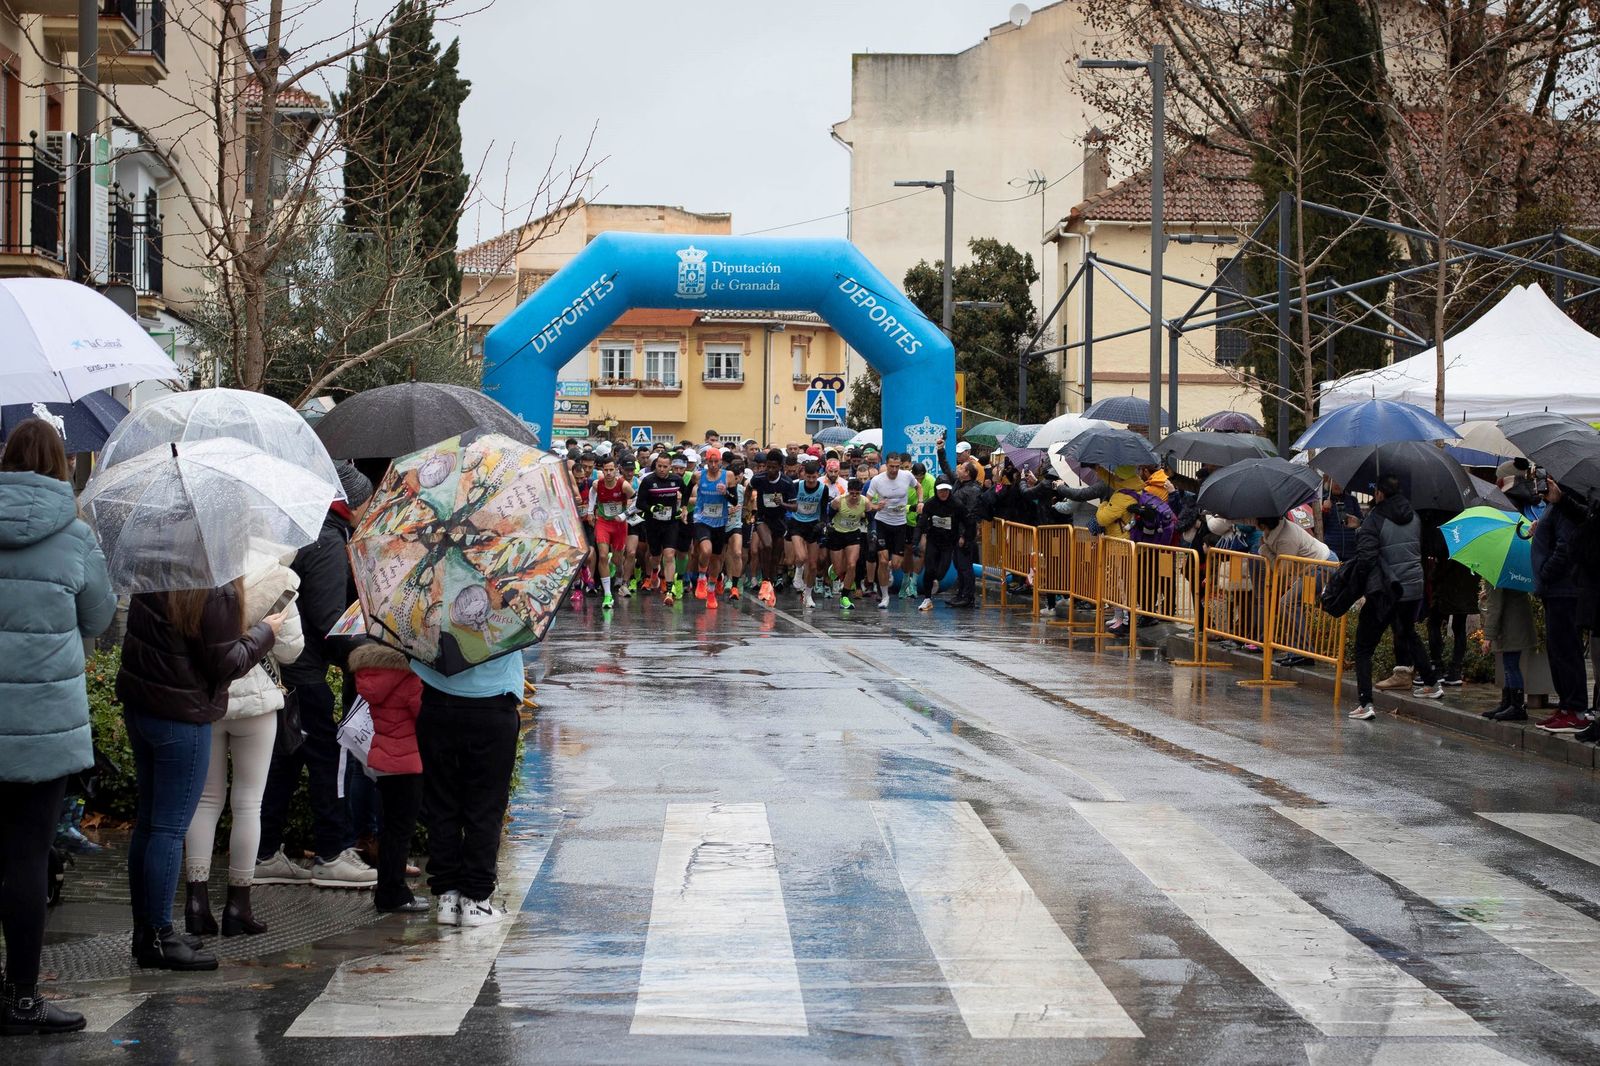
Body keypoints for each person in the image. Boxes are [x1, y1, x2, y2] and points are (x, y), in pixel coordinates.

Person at [0, 419, 115, 1034]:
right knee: (26, 860)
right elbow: (98, 616)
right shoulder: (75, 537)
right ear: (61, 465)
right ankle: (22, 999)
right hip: (43, 729)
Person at [119, 576, 282, 970]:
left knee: (149, 824)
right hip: (182, 717)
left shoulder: (155, 570)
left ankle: (146, 932)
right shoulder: (216, 587)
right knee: (169, 829)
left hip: (143, 707)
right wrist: (265, 632)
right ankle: (160, 937)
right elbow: (226, 663)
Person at [255, 464, 376, 890]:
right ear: (349, 503)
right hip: (304, 672)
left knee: (285, 761)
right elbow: (328, 620)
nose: (369, 510)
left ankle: (263, 853)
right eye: (367, 502)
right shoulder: (327, 541)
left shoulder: (303, 529)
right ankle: (333, 854)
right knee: (328, 760)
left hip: (284, 670)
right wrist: (364, 650)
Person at [183, 552, 305, 939]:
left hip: (208, 697)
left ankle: (196, 903)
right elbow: (291, 651)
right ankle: (238, 905)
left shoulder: (197, 572)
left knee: (205, 800)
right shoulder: (277, 578)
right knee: (249, 803)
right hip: (256, 703)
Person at [413, 650, 525, 927]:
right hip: (493, 703)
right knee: (486, 805)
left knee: (441, 803)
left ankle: (447, 897)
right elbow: (539, 626)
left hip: (438, 703)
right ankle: (475, 900)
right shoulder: (510, 618)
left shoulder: (432, 616)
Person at [1350, 474, 1442, 721]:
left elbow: (1366, 558)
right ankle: (1432, 683)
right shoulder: (1414, 516)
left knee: (1363, 648)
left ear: (1379, 493)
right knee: (1408, 632)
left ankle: (1365, 703)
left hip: (1387, 590)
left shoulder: (1375, 518)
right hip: (1413, 587)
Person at [348, 643, 428, 913]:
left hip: (383, 761)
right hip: (408, 763)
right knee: (400, 832)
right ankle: (394, 894)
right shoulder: (409, 678)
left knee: (390, 830)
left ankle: (387, 891)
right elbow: (424, 716)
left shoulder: (372, 674)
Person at [1530, 477, 1592, 734]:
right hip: (1554, 590)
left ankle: (1576, 709)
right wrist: (1540, 530)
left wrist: (1545, 572)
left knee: (1566, 650)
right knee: (1557, 651)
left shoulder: (1567, 501)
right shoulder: (1553, 504)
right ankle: (1566, 707)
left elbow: (1565, 547)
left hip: (1563, 590)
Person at [1257, 514, 1336, 668]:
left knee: (1287, 603)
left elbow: (1282, 570)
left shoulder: (1286, 538)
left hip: (1322, 565)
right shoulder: (1277, 529)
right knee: (1289, 603)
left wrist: (1265, 551)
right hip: (1311, 566)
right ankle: (1297, 652)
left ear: (1262, 525)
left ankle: (1303, 653)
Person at [1480, 581, 1536, 723]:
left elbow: (1495, 607)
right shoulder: (1510, 574)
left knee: (1511, 665)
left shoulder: (1496, 577)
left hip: (1510, 625)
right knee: (1509, 664)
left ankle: (1517, 706)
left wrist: (1488, 636)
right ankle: (1508, 703)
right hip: (1516, 621)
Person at [638, 453, 690, 605]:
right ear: (655, 465)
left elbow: (686, 492)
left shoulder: (676, 480)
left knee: (669, 554)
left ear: (670, 467)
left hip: (671, 523)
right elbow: (639, 503)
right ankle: (655, 570)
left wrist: (684, 507)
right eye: (659, 466)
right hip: (653, 523)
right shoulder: (648, 481)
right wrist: (651, 508)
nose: (661, 469)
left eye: (665, 467)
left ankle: (669, 591)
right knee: (655, 557)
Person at [866, 453, 916, 609]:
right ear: (886, 465)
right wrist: (876, 507)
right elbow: (866, 501)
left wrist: (920, 501)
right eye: (891, 466)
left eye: (897, 467)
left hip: (900, 524)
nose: (894, 470)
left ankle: (888, 569)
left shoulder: (907, 476)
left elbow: (918, 487)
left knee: (896, 564)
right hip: (882, 522)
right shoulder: (877, 480)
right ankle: (885, 596)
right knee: (882, 559)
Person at [749, 449, 796, 606]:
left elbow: (795, 507)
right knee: (767, 545)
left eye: (773, 467)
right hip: (762, 518)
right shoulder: (759, 478)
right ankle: (765, 580)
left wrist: (782, 503)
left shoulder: (787, 483)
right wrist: (748, 507)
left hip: (779, 520)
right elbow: (749, 489)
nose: (770, 470)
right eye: (768, 466)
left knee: (776, 556)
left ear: (780, 467)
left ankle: (770, 581)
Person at [688, 446, 733, 609]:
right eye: (710, 462)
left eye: (716, 462)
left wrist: (726, 493)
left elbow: (734, 500)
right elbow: (686, 491)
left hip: (720, 521)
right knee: (706, 550)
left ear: (720, 461)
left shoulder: (728, 476)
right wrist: (685, 507)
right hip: (701, 518)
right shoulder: (698, 476)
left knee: (716, 558)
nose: (713, 465)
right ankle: (701, 577)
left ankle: (712, 589)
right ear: (706, 461)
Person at [586, 458, 634, 610]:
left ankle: (618, 576)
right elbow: (592, 493)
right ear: (602, 470)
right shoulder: (597, 484)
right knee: (602, 556)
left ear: (616, 470)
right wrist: (590, 511)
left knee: (617, 560)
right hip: (603, 523)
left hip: (619, 524)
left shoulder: (623, 485)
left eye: (611, 470)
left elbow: (637, 500)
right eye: (605, 470)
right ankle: (608, 595)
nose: (608, 473)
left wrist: (624, 515)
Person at [917, 482, 966, 611]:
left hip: (949, 543)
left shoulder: (957, 504)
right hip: (933, 541)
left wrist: (963, 536)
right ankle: (927, 599)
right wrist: (918, 539)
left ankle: (934, 580)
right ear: (936, 491)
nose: (943, 493)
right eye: (940, 491)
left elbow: (966, 521)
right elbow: (921, 523)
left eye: (946, 490)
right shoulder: (930, 504)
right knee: (929, 570)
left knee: (940, 573)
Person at [786, 461, 828, 609]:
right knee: (801, 556)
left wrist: (822, 523)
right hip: (797, 522)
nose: (811, 480)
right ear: (804, 475)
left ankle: (808, 594)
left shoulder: (823, 489)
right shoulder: (797, 486)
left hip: (813, 525)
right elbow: (790, 504)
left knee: (813, 565)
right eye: (808, 477)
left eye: (814, 477)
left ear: (818, 475)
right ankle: (798, 571)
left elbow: (824, 510)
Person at [829, 478, 870, 611]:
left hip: (853, 534)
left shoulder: (865, 502)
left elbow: (870, 516)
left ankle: (844, 597)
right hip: (837, 533)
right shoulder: (838, 501)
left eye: (857, 493)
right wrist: (826, 526)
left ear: (860, 492)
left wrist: (872, 530)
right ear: (848, 492)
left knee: (852, 565)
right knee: (839, 570)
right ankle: (834, 569)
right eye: (851, 493)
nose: (854, 496)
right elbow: (828, 515)